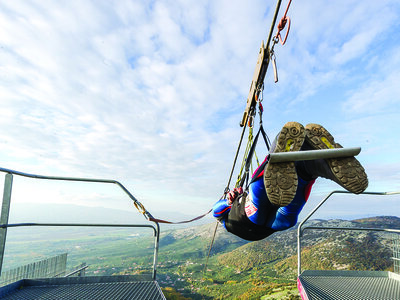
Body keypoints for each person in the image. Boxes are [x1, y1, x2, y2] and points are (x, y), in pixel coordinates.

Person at [213, 122, 368, 241]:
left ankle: (312, 166)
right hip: (246, 218)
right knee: (260, 192)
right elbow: (215, 211)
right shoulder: (226, 220)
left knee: (288, 198)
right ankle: (307, 160)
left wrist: (229, 202)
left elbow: (218, 212)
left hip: (276, 223)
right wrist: (229, 202)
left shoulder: (227, 223)